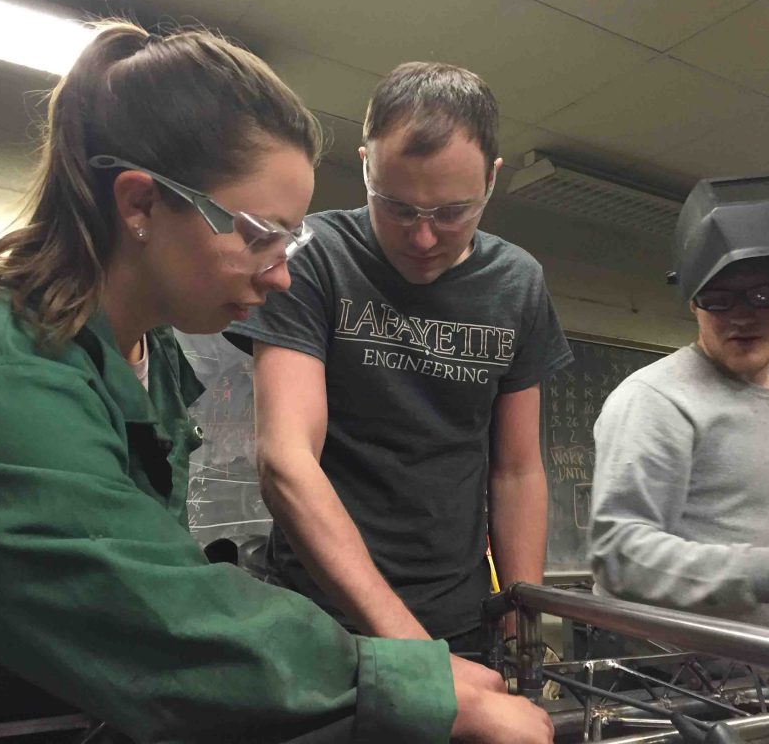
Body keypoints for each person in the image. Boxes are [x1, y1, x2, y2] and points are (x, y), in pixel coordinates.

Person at [0, 22, 554, 743]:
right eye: (258, 235)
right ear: (139, 206)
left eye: (290, 240)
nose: (282, 272)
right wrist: (421, 684)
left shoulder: (148, 358)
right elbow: (144, 615)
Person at [225, 62, 572, 650]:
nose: (423, 237)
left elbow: (516, 471)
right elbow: (285, 458)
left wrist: (521, 614)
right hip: (318, 618)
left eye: (452, 212)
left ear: (491, 179)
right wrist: (413, 654)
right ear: (366, 165)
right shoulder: (314, 257)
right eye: (399, 207)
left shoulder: (518, 283)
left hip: (460, 620)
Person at [588, 173, 769, 630]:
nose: (741, 316)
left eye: (764, 295)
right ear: (693, 302)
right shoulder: (655, 400)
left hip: (766, 673)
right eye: (718, 298)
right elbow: (619, 556)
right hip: (661, 678)